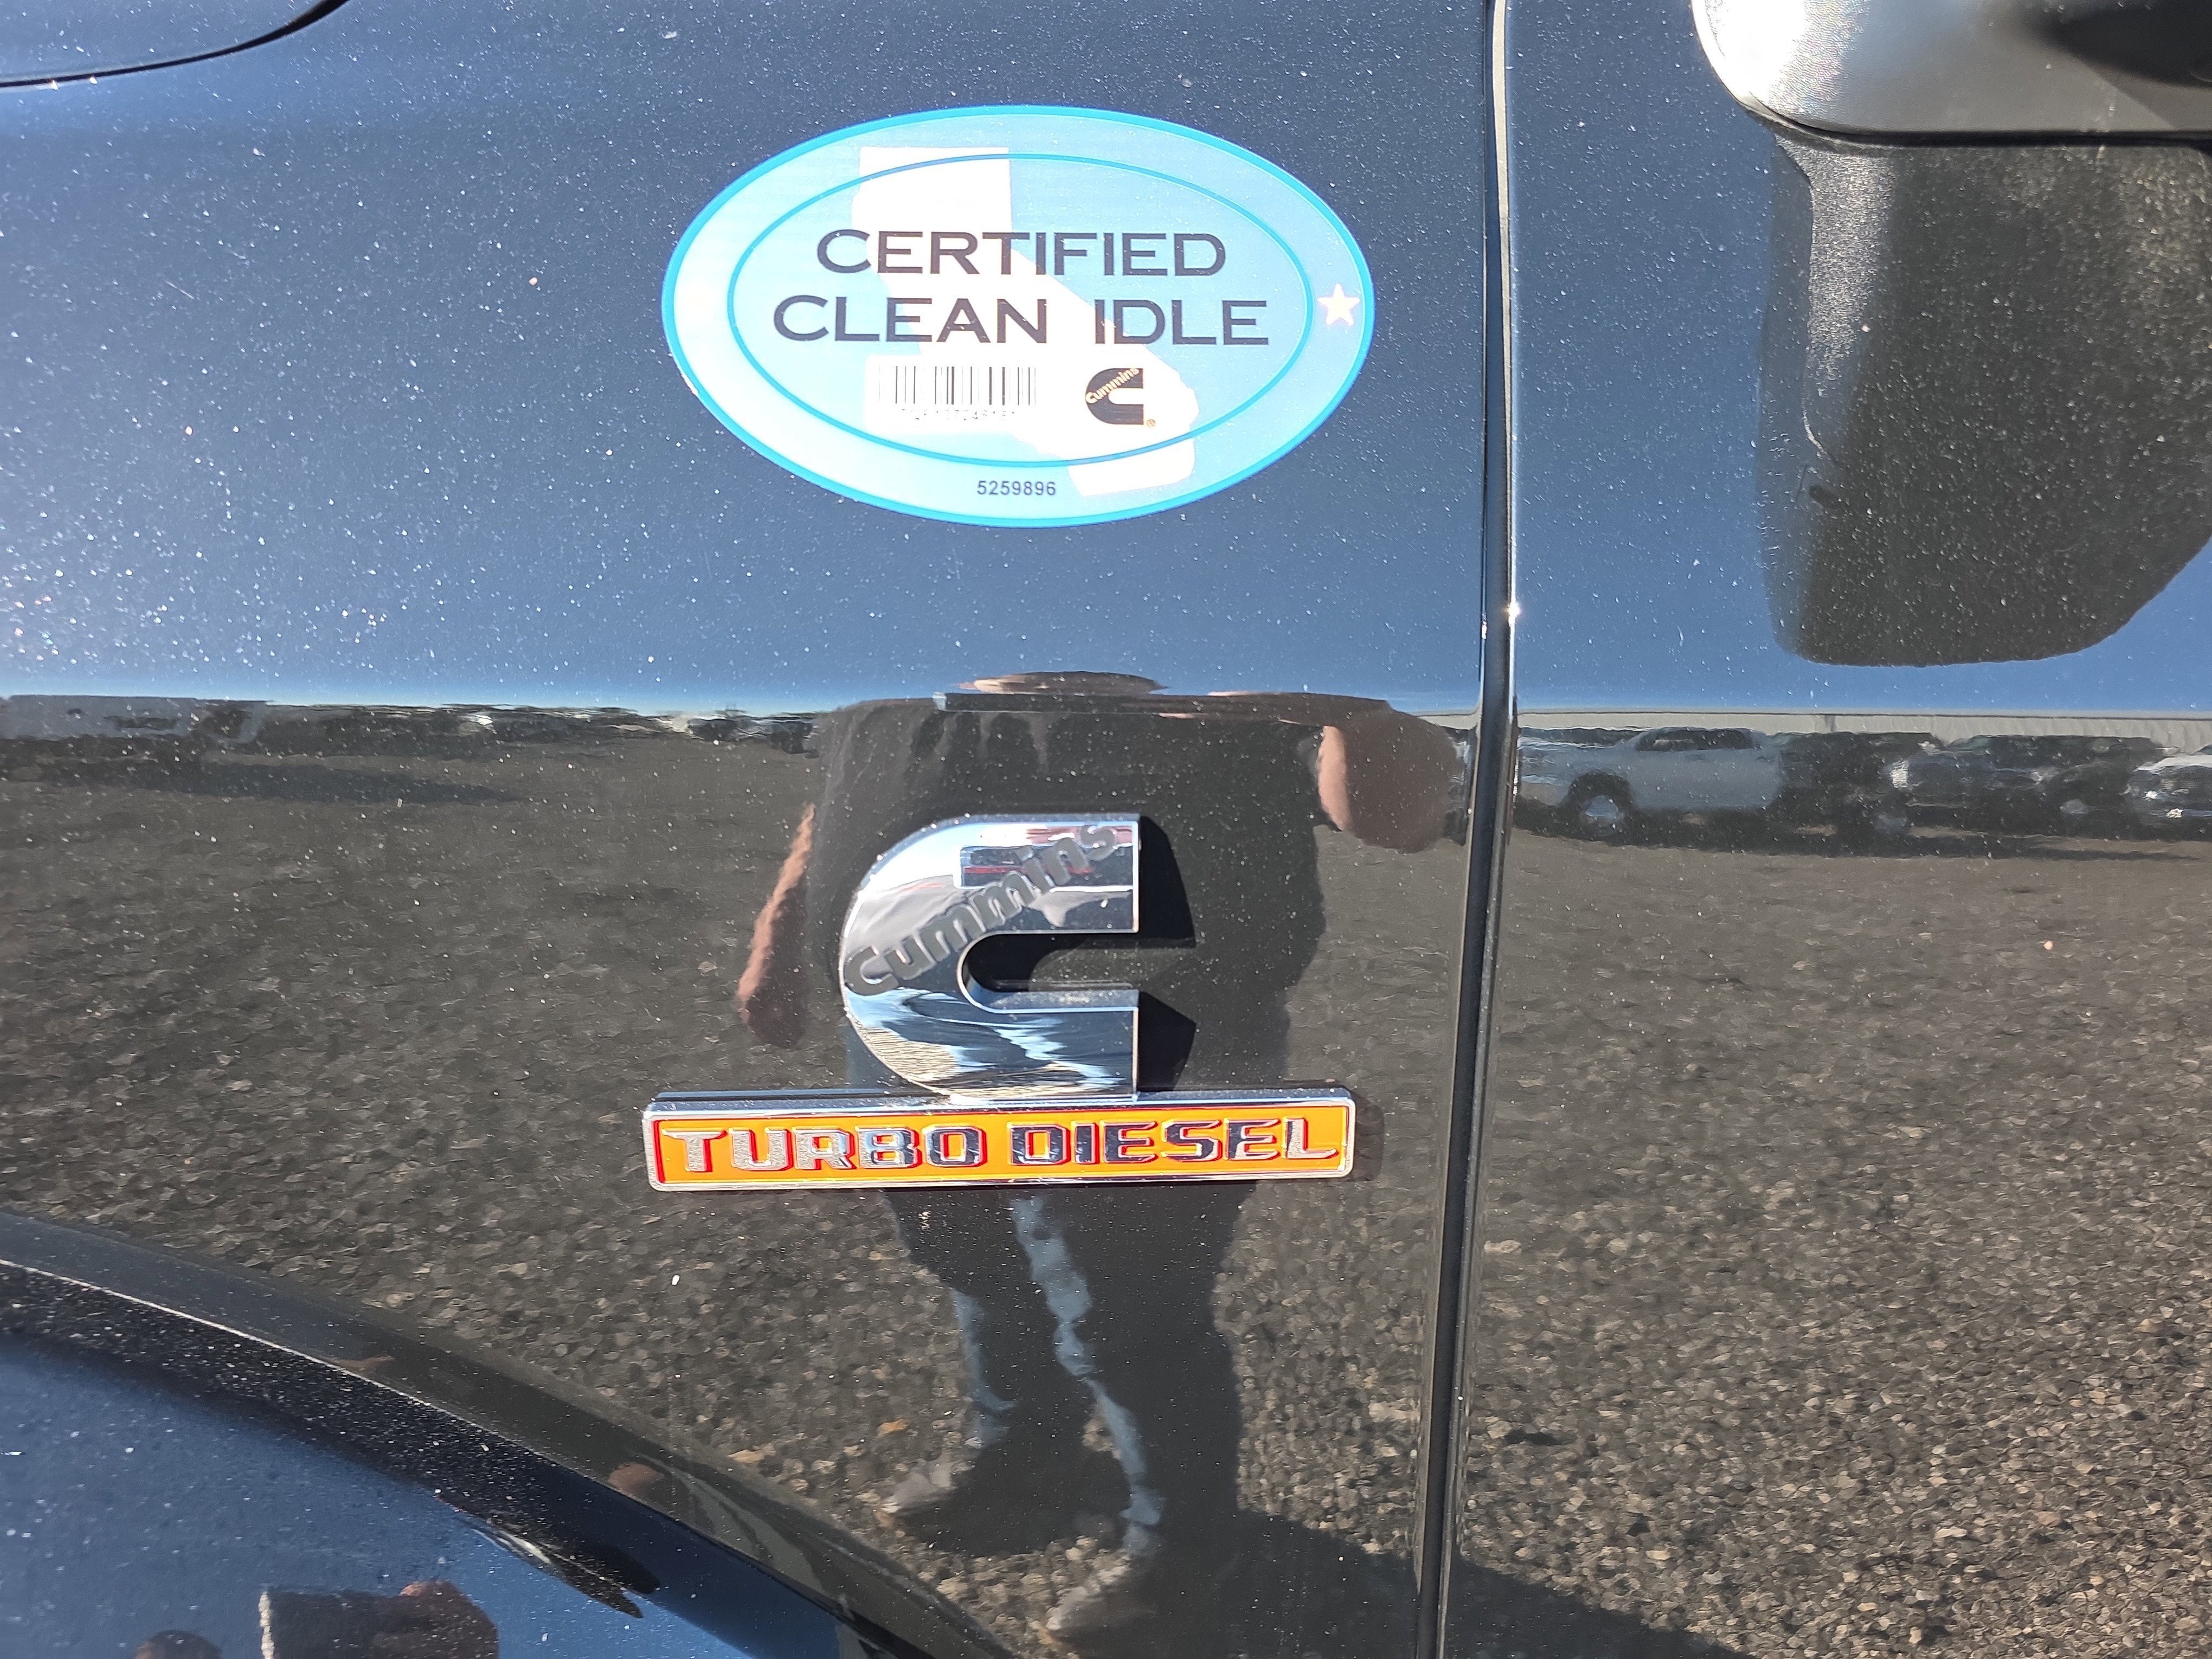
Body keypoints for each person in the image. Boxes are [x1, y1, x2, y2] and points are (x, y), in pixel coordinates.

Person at [736, 673, 1455, 1648]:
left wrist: (1344, 704)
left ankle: (1185, 1556)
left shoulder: (1208, 655)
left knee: (1130, 1318)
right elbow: (843, 785)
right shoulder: (909, 642)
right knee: (970, 1256)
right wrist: (778, 932)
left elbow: (1400, 820)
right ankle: (1024, 1458)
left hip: (1148, 1034)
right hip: (911, 1016)